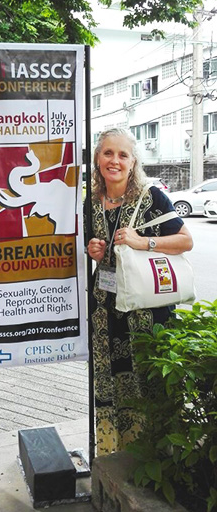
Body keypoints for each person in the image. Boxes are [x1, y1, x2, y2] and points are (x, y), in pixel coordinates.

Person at [86, 128, 193, 456]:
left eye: (122, 155)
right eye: (107, 153)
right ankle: (113, 453)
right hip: (105, 311)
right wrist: (91, 248)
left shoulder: (151, 196)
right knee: (110, 381)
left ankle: (155, 458)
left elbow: (185, 240)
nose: (114, 161)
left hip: (146, 313)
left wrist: (141, 241)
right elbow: (91, 244)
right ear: (98, 159)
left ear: (133, 162)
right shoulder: (90, 200)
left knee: (148, 382)